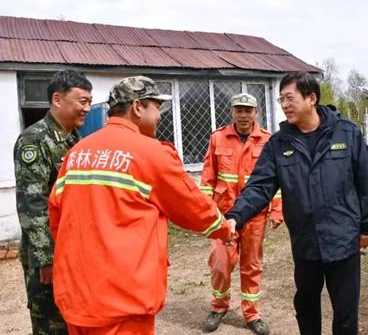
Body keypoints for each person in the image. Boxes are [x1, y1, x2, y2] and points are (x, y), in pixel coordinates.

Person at [48, 76, 233, 335]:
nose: (159, 116)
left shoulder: (77, 153)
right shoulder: (152, 153)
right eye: (157, 107)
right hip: (122, 298)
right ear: (137, 107)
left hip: (76, 295)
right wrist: (224, 228)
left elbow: (56, 216)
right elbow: (193, 207)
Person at [226, 71, 368, 335]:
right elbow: (260, 185)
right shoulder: (279, 143)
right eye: (281, 99)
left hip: (344, 241)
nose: (284, 105)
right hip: (306, 242)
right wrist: (236, 215)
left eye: (290, 98)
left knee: (346, 314)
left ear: (311, 98)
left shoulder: (346, 133)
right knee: (306, 307)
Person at [14, 69, 93, 335]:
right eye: (82, 101)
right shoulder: (35, 140)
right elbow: (32, 203)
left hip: (73, 247)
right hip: (50, 252)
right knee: (51, 323)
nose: (87, 108)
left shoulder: (74, 139)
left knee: (74, 317)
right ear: (58, 99)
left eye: (90, 102)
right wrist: (45, 258)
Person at [200, 93, 283, 335]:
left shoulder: (268, 140)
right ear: (232, 112)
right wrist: (205, 211)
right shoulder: (218, 138)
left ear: (256, 112)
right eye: (239, 110)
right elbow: (208, 177)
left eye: (248, 110)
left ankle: (252, 314)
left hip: (255, 215)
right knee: (220, 263)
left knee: (251, 265)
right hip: (223, 215)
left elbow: (274, 181)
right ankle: (219, 307)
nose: (243, 115)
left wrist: (277, 210)